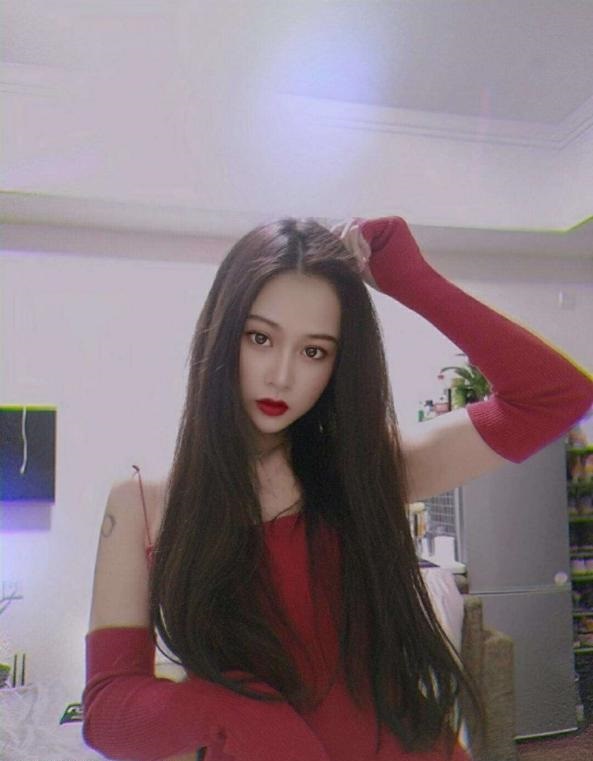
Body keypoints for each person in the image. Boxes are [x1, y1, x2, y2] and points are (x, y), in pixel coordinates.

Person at [82, 216, 593, 761]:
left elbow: (555, 397)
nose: (281, 376)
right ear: (222, 332)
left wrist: (412, 280)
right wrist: (234, 711)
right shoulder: (143, 503)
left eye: (314, 351)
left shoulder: (365, 470)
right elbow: (106, 709)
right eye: (260, 338)